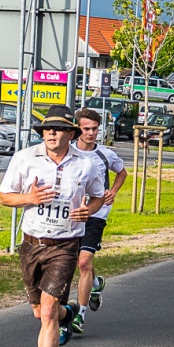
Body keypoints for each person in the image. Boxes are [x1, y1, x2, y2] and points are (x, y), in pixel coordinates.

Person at [0, 106, 105, 347]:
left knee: (46, 312)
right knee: (40, 312)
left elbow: (98, 196)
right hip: (32, 243)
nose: (51, 133)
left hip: (65, 244)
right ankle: (68, 313)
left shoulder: (86, 164)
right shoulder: (25, 158)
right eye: (47, 129)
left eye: (58, 129)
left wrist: (89, 210)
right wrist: (29, 198)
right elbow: (5, 196)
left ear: (71, 133)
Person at [70, 108, 127, 335]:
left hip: (96, 213)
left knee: (84, 263)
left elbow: (121, 172)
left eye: (95, 129)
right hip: (72, 214)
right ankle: (95, 285)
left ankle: (80, 316)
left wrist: (112, 191)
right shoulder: (68, 152)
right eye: (86, 129)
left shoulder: (105, 154)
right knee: (75, 260)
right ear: (78, 129)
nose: (92, 133)